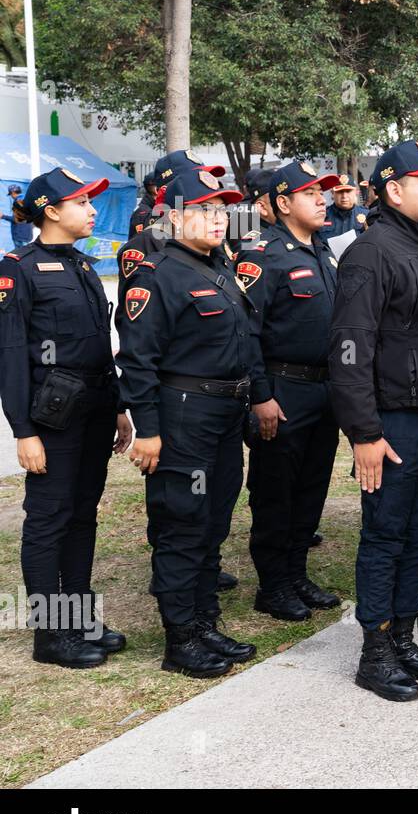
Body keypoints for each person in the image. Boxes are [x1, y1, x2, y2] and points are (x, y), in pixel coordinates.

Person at [329, 140, 418, 701]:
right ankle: (375, 650)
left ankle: (405, 637)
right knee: (387, 536)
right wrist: (364, 433)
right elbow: (349, 350)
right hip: (394, 426)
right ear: (394, 190)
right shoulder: (373, 252)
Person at [116, 167, 258, 678]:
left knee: (213, 520)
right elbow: (137, 361)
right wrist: (148, 430)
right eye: (203, 210)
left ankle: (204, 622)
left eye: (222, 210)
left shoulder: (219, 269)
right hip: (182, 416)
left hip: (224, 415)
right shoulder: (156, 275)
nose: (217, 219)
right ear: (173, 217)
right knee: (181, 524)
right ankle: (181, 639)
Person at [0, 168, 131, 668]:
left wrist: (117, 407)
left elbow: (100, 347)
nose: (93, 210)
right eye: (81, 202)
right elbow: (11, 356)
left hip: (94, 408)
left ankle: (78, 618)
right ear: (51, 211)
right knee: (48, 520)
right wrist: (23, 431)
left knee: (81, 515)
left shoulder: (81, 264)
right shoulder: (18, 269)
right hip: (51, 419)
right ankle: (51, 634)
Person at [236, 161, 343, 621]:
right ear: (282, 203)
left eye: (323, 193)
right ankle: (273, 585)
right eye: (311, 194)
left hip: (325, 390)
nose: (322, 200)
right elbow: (246, 333)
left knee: (312, 486)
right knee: (275, 490)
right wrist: (260, 396)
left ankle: (297, 573)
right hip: (283, 389)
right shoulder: (262, 255)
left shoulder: (323, 250)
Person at [320, 174, 368, 243]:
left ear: (356, 192)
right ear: (332, 193)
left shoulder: (366, 215)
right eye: (340, 192)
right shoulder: (322, 215)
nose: (344, 196)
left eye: (348, 191)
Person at [4, 183, 34, 248]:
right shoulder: (26, 199)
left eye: (11, 194)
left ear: (13, 193)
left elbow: (17, 219)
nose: (11, 196)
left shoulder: (18, 201)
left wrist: (3, 216)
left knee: (22, 256)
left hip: (20, 235)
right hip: (25, 234)